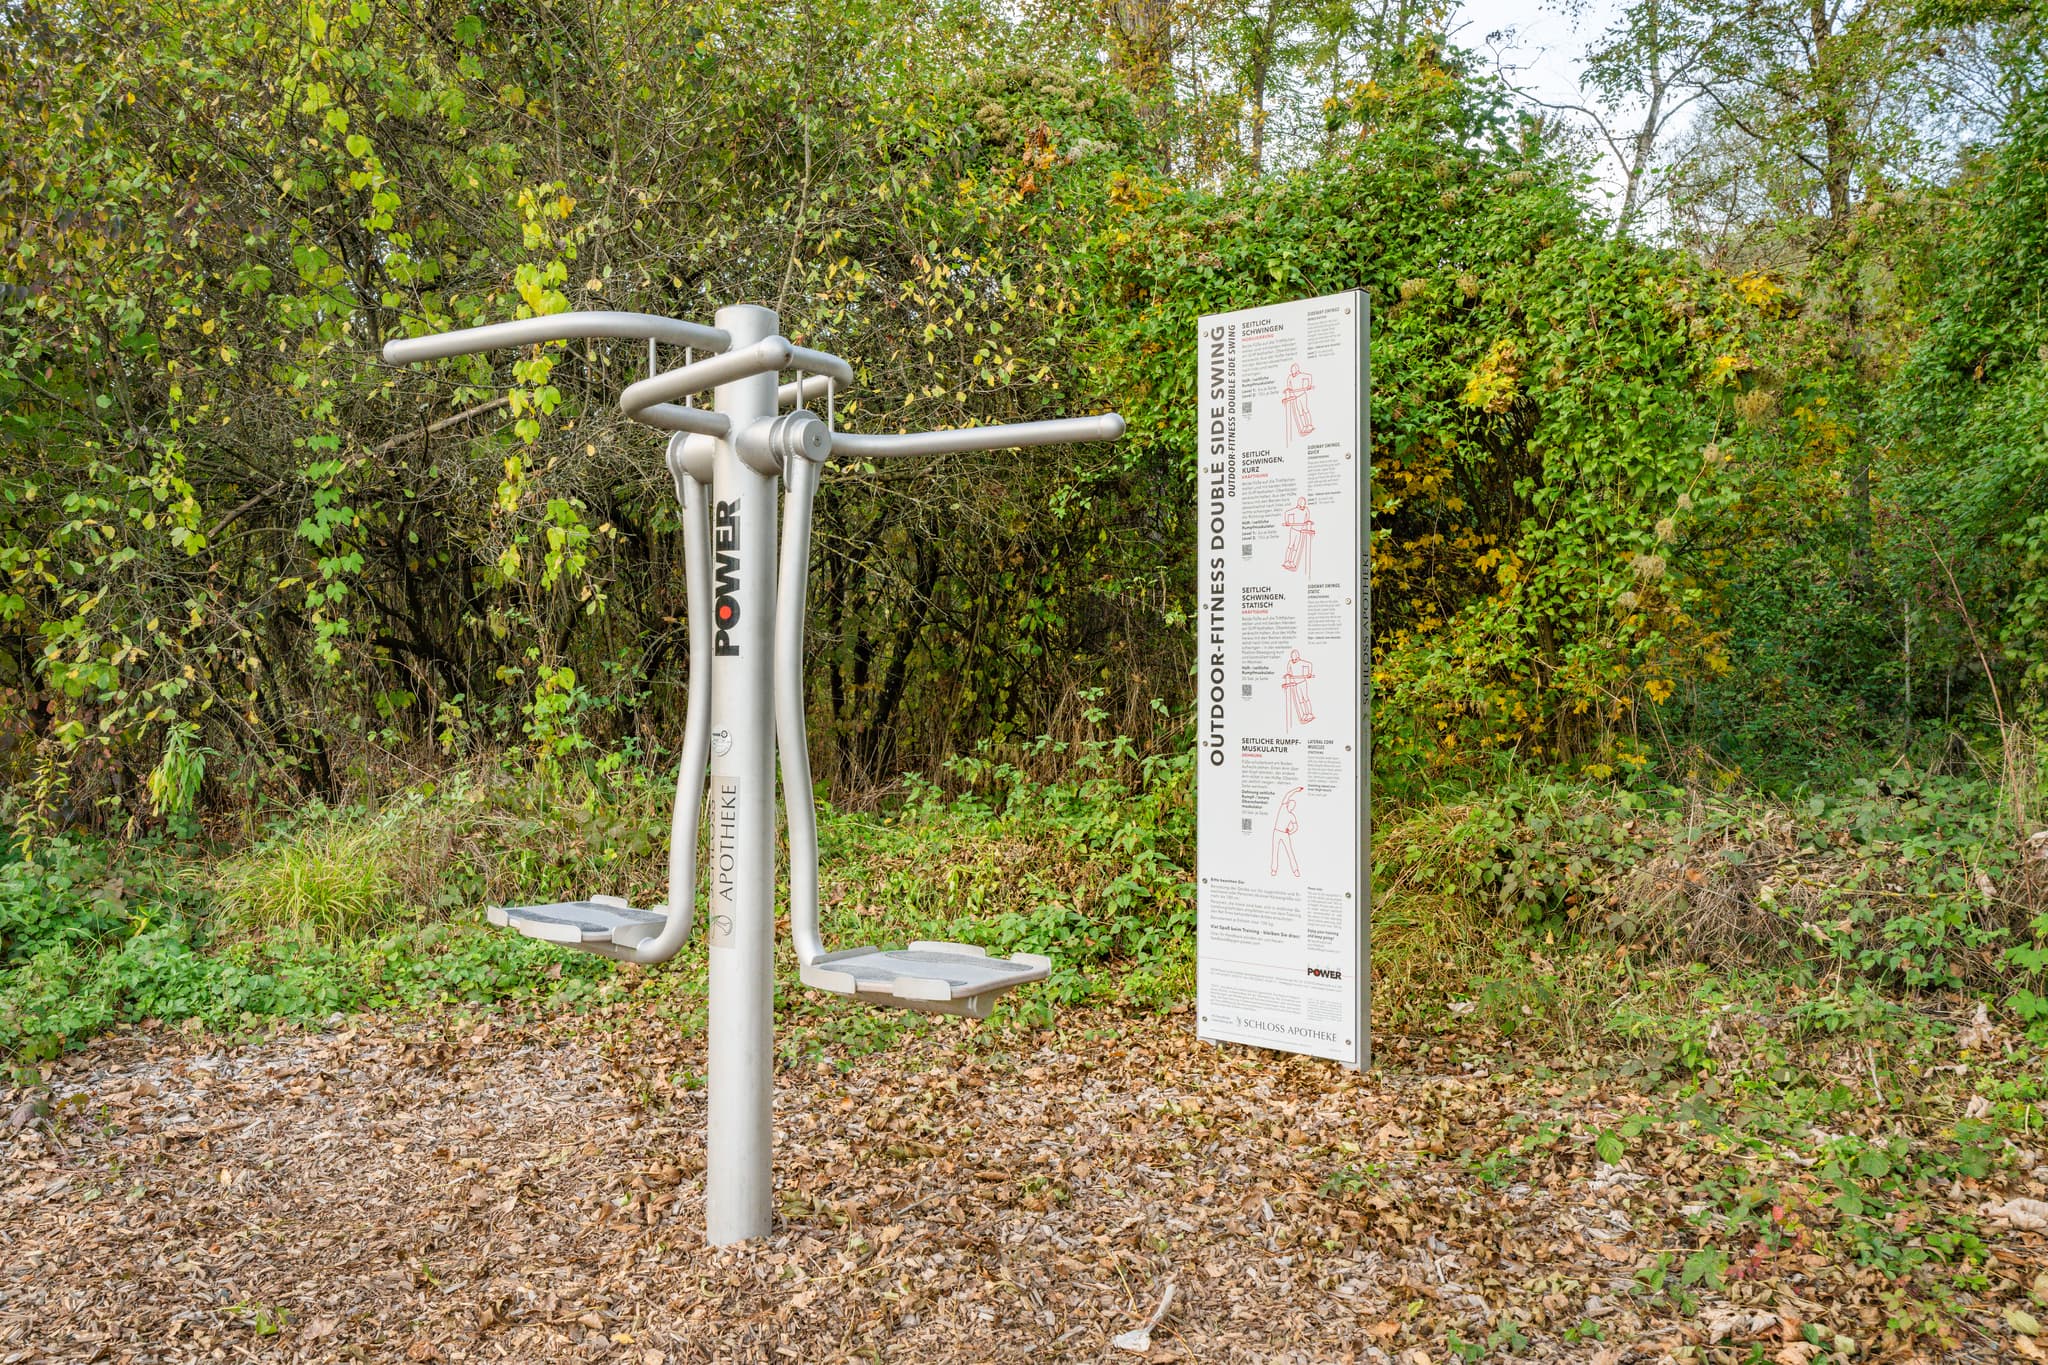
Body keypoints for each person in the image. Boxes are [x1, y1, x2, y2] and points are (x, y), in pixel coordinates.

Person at [1269, 786, 1304, 878]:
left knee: (1289, 851)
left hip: (1284, 834)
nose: (1290, 805)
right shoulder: (1283, 807)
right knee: (1275, 851)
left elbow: (1296, 826)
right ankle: (1273, 870)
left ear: (1293, 807)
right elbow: (1288, 794)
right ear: (1288, 804)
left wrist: (1290, 832)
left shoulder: (1292, 816)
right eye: (1290, 803)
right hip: (1277, 832)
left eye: (1292, 805)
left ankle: (1295, 871)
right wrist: (1296, 790)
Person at [1280, 364, 1316, 442]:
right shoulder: (1289, 377)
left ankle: (1309, 425)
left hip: (1302, 394)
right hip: (1296, 396)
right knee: (1300, 412)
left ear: (1297, 371)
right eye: (1292, 373)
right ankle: (1304, 426)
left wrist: (1309, 385)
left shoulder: (1301, 375)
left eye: (1295, 373)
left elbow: (1309, 376)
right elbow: (1289, 385)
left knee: (1305, 410)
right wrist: (1288, 390)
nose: (1293, 375)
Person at [1281, 650, 1316, 728]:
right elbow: (1289, 670)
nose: (1294, 661)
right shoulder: (1290, 662)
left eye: (1295, 659)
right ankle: (1305, 714)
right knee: (1300, 700)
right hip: (1296, 684)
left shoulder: (1302, 662)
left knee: (1305, 699)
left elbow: (1310, 664)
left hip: (1302, 682)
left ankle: (1310, 714)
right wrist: (1289, 674)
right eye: (1293, 659)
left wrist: (1309, 673)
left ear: (1298, 658)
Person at [1281, 496, 1315, 573]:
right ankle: (1286, 561)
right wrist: (1287, 522)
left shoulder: (1306, 510)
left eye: (1303, 506)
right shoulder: (1295, 510)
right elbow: (1286, 513)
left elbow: (1307, 517)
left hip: (1300, 531)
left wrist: (1307, 521)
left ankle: (1291, 561)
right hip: (1294, 530)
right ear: (1298, 505)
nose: (1302, 508)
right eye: (1301, 507)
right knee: (1290, 546)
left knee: (1295, 548)